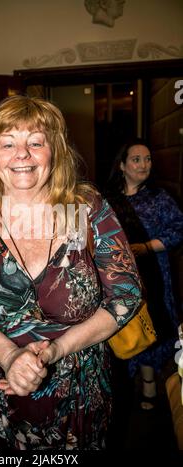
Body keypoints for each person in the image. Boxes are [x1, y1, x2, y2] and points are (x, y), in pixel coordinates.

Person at [0, 95, 141, 449]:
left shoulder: (85, 209)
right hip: (6, 391)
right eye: (8, 143)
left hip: (80, 392)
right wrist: (9, 356)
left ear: (55, 150)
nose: (21, 154)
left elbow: (126, 297)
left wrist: (55, 349)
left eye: (35, 142)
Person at [104, 138, 183, 410]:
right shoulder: (108, 198)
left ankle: (149, 386)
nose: (143, 164)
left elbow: (178, 231)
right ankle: (123, 388)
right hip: (118, 276)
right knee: (122, 327)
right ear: (123, 165)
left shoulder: (159, 198)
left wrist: (146, 247)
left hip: (154, 274)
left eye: (147, 159)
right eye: (136, 159)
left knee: (151, 326)